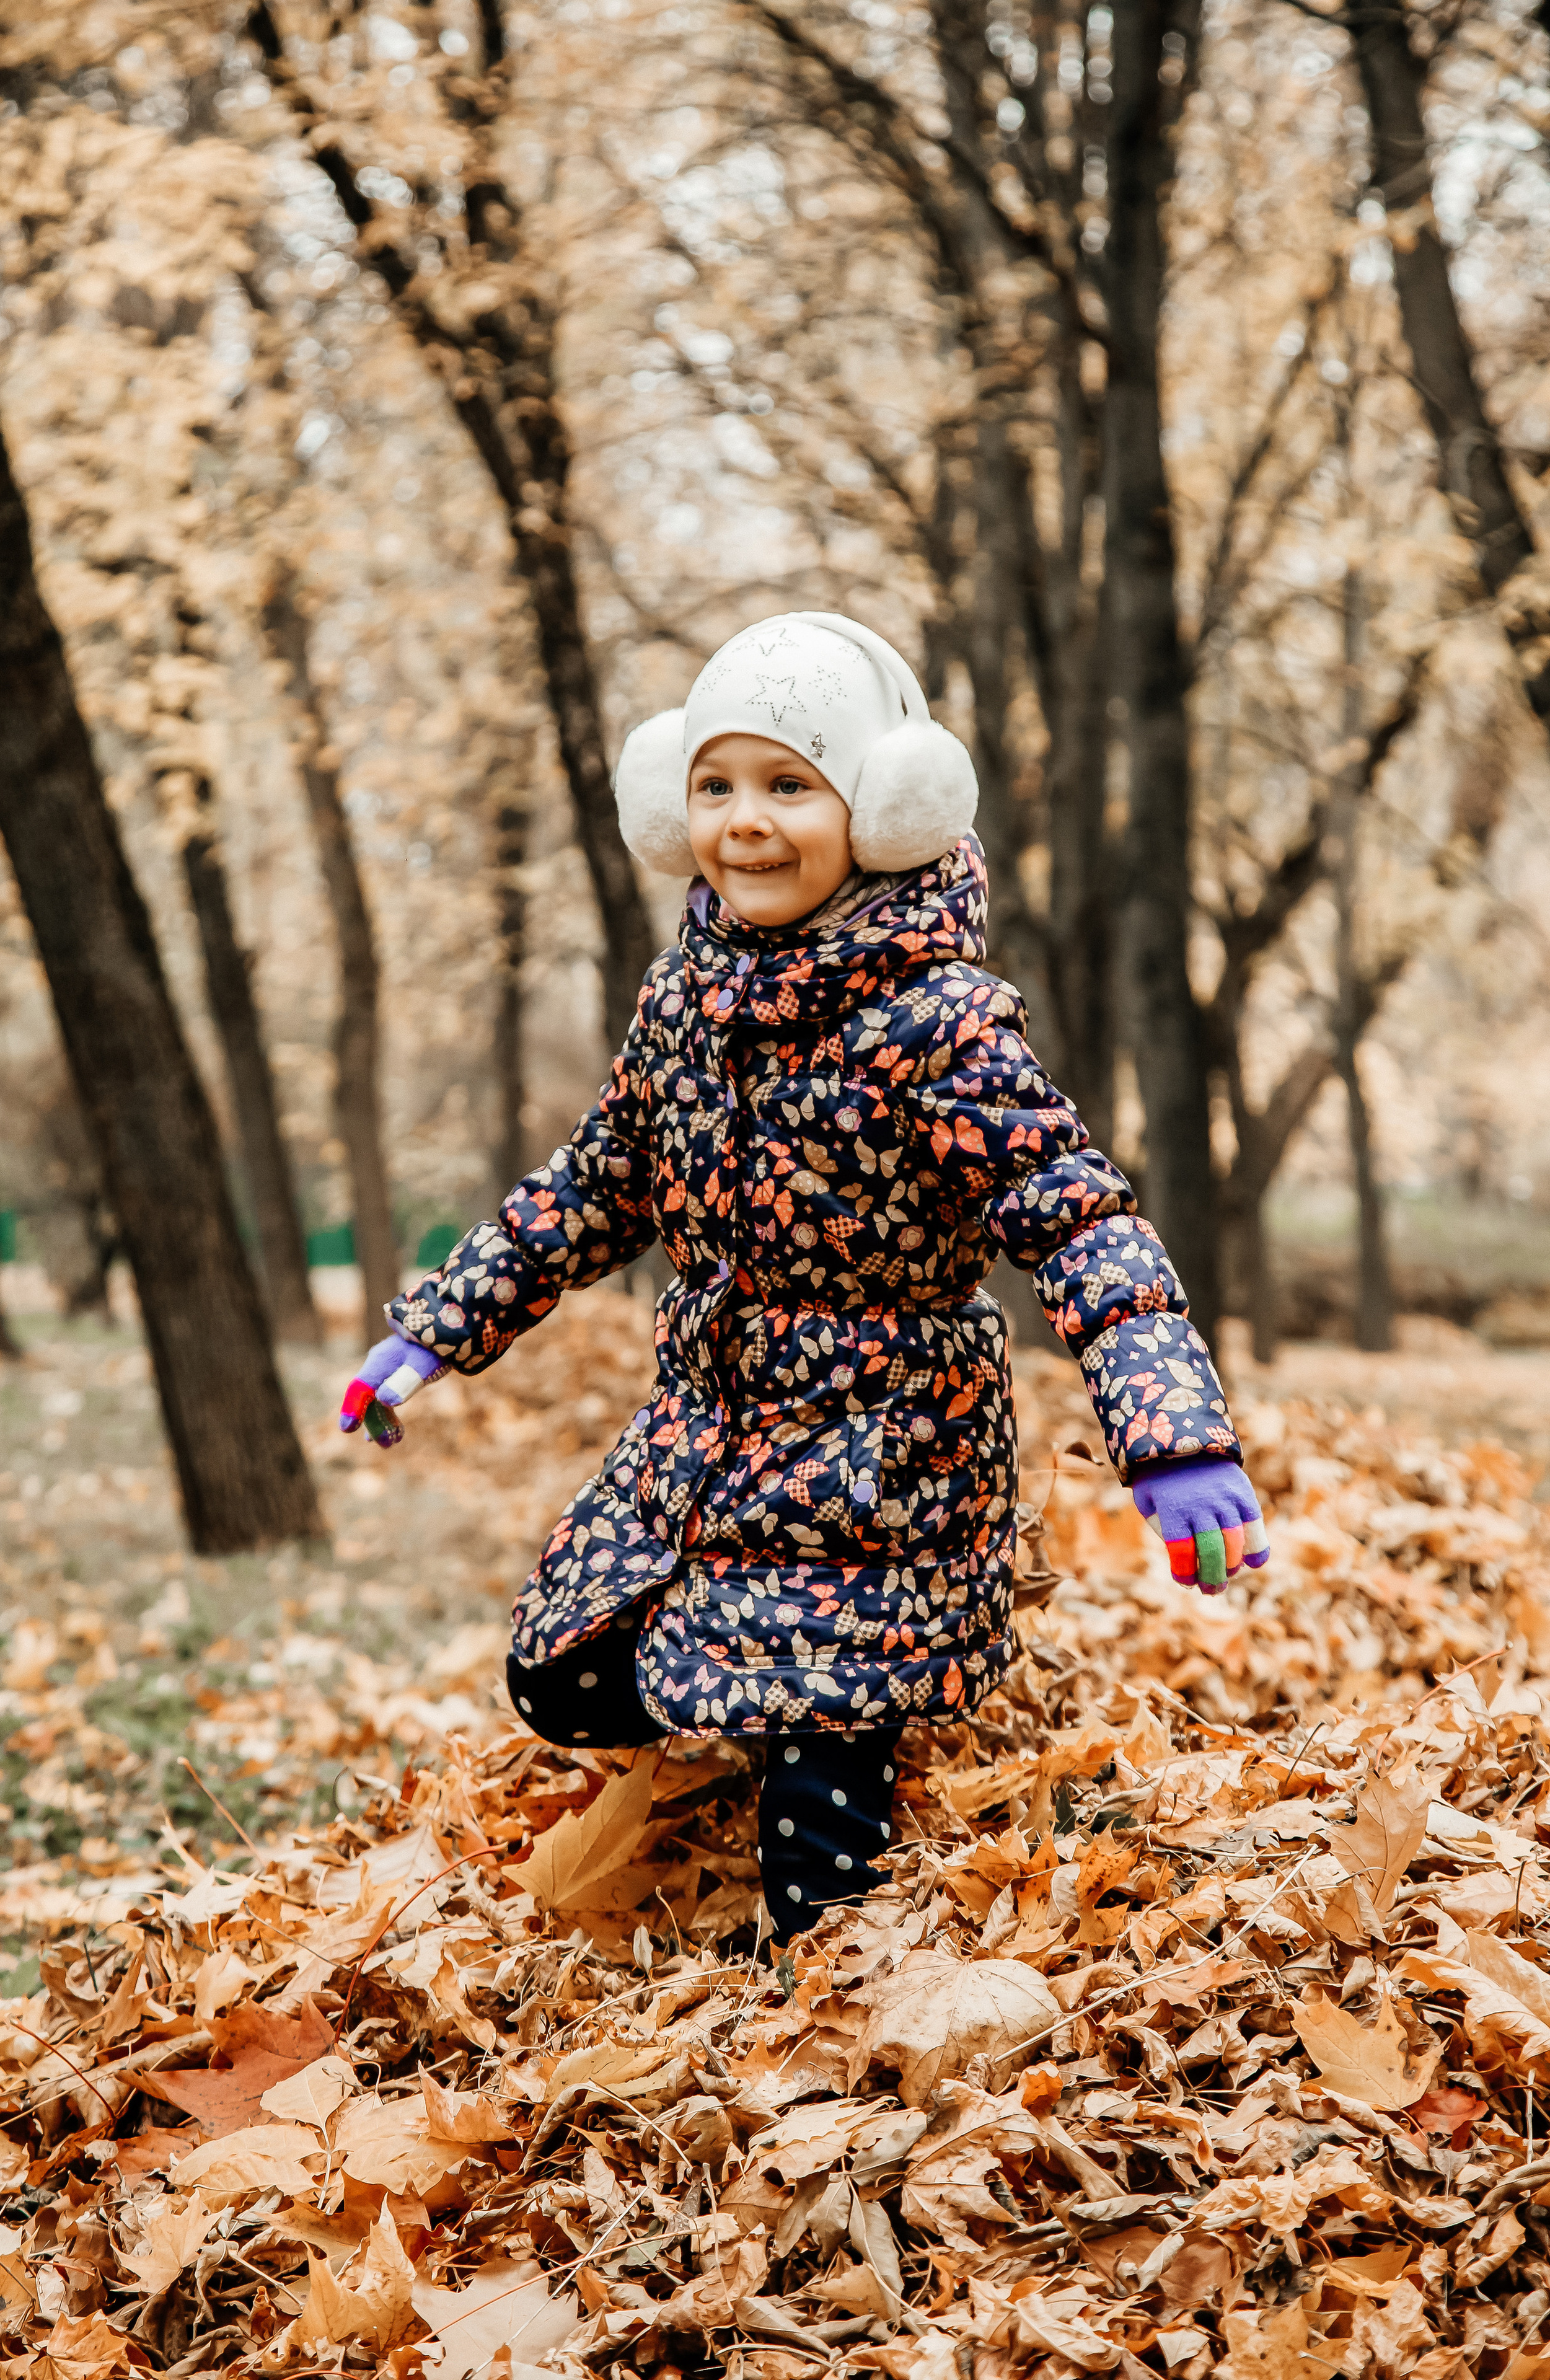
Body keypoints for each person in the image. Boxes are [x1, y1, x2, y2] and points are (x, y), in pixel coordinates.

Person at [338, 613, 1268, 1944]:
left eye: (789, 783)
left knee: (816, 1827)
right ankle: (757, 1725)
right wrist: (437, 1330)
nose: (746, 822)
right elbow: (599, 1183)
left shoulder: (940, 1023)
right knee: (562, 1673)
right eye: (715, 785)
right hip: (710, 1426)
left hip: (882, 1450)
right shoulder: (682, 1000)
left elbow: (1076, 1223)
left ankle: (830, 1982)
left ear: (881, 809)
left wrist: (1172, 1437)